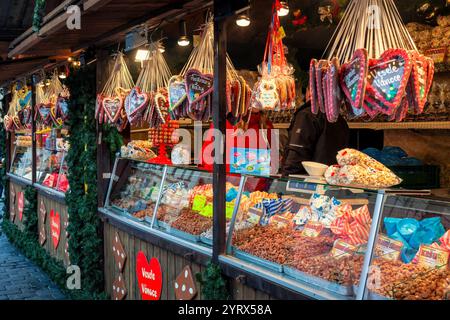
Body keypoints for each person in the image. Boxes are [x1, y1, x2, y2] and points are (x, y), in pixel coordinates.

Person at [281, 87, 350, 176]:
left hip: (306, 183)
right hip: (331, 181)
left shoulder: (307, 115)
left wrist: (285, 178)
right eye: (310, 89)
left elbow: (296, 155)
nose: (311, 93)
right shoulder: (341, 121)